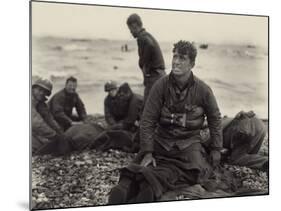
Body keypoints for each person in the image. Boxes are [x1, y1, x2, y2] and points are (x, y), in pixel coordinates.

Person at [108, 40, 223, 204]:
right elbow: (147, 119)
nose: (176, 61)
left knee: (194, 172)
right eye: (175, 56)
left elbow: (215, 118)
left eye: (182, 58)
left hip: (189, 145)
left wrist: (216, 148)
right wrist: (148, 151)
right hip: (161, 142)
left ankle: (146, 190)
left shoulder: (203, 90)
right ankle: (124, 191)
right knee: (141, 167)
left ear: (192, 63)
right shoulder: (160, 86)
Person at [127, 13, 166, 103]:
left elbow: (150, 45)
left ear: (134, 26)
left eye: (130, 30)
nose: (131, 32)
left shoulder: (142, 37)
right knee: (156, 106)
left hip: (155, 76)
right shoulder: (146, 35)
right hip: (159, 75)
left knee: (148, 107)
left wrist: (145, 66)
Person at [32, 78, 70, 156]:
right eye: (39, 90)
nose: (42, 93)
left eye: (45, 91)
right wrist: (54, 135)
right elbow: (35, 123)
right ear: (33, 88)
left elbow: (49, 119)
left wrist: (61, 134)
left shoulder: (41, 103)